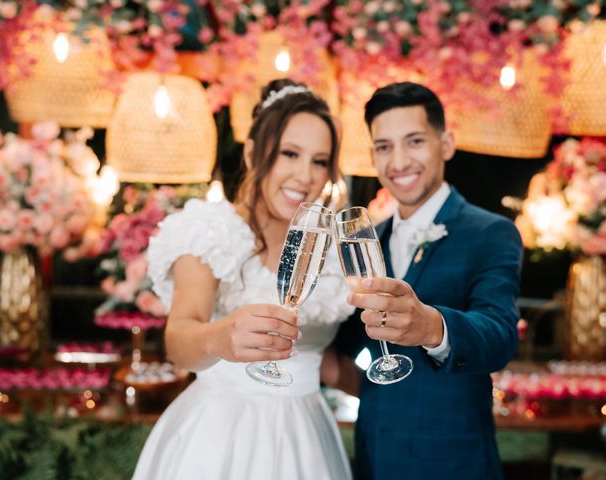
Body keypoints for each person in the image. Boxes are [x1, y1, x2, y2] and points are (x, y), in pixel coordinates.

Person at [133, 79, 354, 480]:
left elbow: (329, 365)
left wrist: (403, 388)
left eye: (320, 161)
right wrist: (220, 338)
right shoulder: (211, 229)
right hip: (219, 434)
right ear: (253, 153)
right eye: (290, 153)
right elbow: (179, 338)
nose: (304, 175)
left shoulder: (332, 247)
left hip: (308, 433)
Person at [323, 82, 523, 480]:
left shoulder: (491, 232)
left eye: (414, 141)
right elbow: (340, 346)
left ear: (445, 143)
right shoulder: (367, 239)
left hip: (454, 461)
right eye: (384, 146)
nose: (398, 161)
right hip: (374, 456)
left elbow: (500, 335)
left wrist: (432, 326)